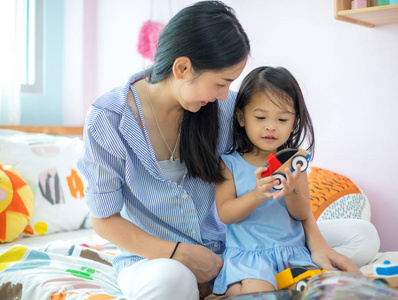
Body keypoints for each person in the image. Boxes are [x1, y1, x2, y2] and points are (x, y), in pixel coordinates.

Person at [78, 2, 379, 299]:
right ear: (182, 68)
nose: (226, 95)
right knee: (171, 281)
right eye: (222, 82)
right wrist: (180, 255)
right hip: (154, 257)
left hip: (235, 246)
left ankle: (259, 278)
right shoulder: (108, 119)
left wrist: (317, 243)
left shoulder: (224, 109)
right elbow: (104, 220)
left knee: (362, 237)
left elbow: (285, 170)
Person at [212, 66, 373, 295]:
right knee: (258, 293)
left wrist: (292, 192)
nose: (271, 126)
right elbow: (226, 214)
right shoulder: (230, 163)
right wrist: (256, 195)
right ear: (241, 117)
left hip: (293, 253)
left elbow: (301, 212)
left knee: (315, 292)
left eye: (282, 119)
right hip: (251, 257)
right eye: (260, 117)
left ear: (294, 122)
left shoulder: (295, 161)